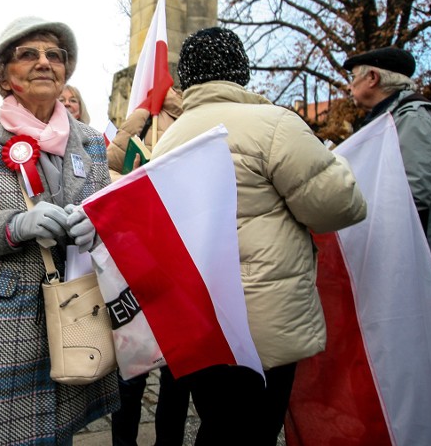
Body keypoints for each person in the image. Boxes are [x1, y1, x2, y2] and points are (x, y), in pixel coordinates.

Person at [152, 27, 367, 445]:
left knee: (217, 424)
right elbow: (338, 206)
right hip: (263, 320)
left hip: (201, 319)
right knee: (253, 431)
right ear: (241, 69)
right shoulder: (273, 125)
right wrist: (335, 162)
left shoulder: (168, 140)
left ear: (187, 77)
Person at [0, 16, 119, 445]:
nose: (44, 62)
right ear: (3, 74)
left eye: (54, 55)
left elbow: (110, 219)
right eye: (28, 54)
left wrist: (98, 229)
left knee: (58, 433)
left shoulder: (88, 141)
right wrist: (13, 226)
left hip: (72, 313)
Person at [105, 85, 189, 445]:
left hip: (181, 260)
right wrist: (136, 183)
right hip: (136, 258)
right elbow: (108, 172)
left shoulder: (198, 120)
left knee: (179, 371)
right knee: (131, 368)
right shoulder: (141, 118)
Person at [344, 47, 431, 272]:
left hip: (403, 258)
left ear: (372, 78)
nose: (349, 86)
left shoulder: (414, 118)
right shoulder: (391, 117)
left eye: (353, 77)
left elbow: (414, 193)